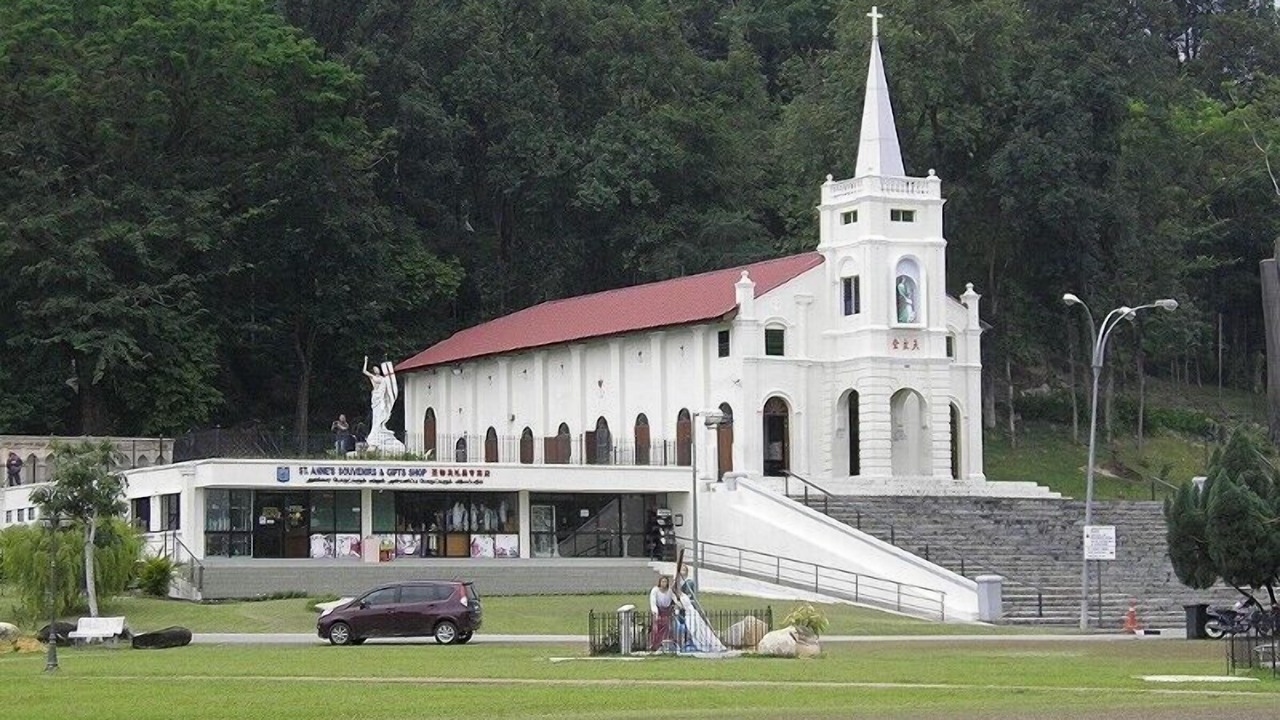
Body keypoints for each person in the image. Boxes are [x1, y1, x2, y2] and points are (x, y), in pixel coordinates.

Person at [648, 575, 681, 651]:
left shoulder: (669, 591)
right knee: (656, 628)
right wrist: (655, 612)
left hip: (666, 612)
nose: (664, 583)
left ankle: (665, 643)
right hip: (658, 611)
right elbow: (653, 602)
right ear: (660, 582)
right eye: (662, 581)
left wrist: (679, 604)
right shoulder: (655, 590)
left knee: (667, 627)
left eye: (665, 581)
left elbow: (674, 599)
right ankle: (655, 645)